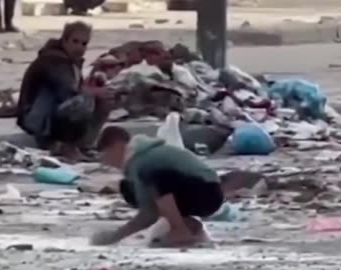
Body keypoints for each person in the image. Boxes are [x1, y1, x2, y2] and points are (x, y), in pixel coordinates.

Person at [90, 127, 225, 247]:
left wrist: (114, 236)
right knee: (131, 189)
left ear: (117, 146)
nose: (106, 163)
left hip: (206, 191)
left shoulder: (141, 161)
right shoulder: (139, 159)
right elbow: (149, 211)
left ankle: (180, 230)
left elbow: (149, 213)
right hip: (203, 190)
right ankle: (188, 225)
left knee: (157, 177)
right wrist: (115, 236)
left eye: (105, 156)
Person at [17, 21, 114, 160]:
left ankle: (83, 145)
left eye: (84, 44)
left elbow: (77, 88)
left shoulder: (71, 61)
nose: (79, 47)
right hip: (38, 120)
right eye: (75, 41)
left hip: (53, 115)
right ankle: (63, 146)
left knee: (106, 100)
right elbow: (69, 92)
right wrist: (94, 92)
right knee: (84, 101)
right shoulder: (53, 60)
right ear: (65, 40)